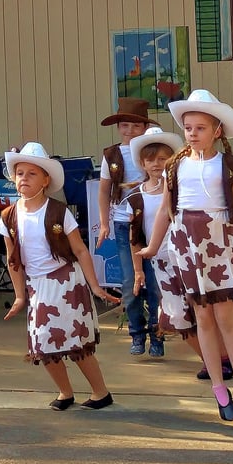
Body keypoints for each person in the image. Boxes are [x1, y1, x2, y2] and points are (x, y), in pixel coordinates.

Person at [139, 89, 233, 422]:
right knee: (204, 319)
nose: (192, 134)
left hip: (220, 241)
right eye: (188, 127)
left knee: (226, 319)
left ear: (217, 131)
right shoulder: (175, 165)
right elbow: (167, 211)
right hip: (187, 244)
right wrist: (152, 247)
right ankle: (218, 388)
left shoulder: (228, 166)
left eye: (200, 128)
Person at [0, 142, 119, 411]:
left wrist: (95, 286)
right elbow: (13, 261)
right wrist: (20, 296)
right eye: (20, 173)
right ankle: (65, 392)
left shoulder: (58, 212)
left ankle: (101, 392)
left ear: (45, 180)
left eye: (32, 174)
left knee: (76, 342)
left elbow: (79, 249)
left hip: (66, 280)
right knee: (44, 342)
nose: (24, 178)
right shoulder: (8, 216)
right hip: (37, 285)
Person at [126, 127, 233, 376]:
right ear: (142, 163)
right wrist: (138, 270)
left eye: (162, 158)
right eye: (150, 159)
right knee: (176, 317)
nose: (156, 164)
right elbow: (136, 237)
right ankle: (211, 359)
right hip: (161, 263)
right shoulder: (136, 198)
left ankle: (222, 359)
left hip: (188, 257)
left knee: (204, 310)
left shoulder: (182, 187)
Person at [96, 97, 161, 356]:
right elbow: (104, 191)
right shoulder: (111, 154)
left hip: (154, 222)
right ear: (118, 127)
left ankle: (158, 335)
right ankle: (137, 334)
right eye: (124, 125)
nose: (130, 131)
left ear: (145, 127)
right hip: (124, 223)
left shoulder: (154, 153)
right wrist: (103, 222)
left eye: (135, 126)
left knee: (155, 283)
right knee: (129, 281)